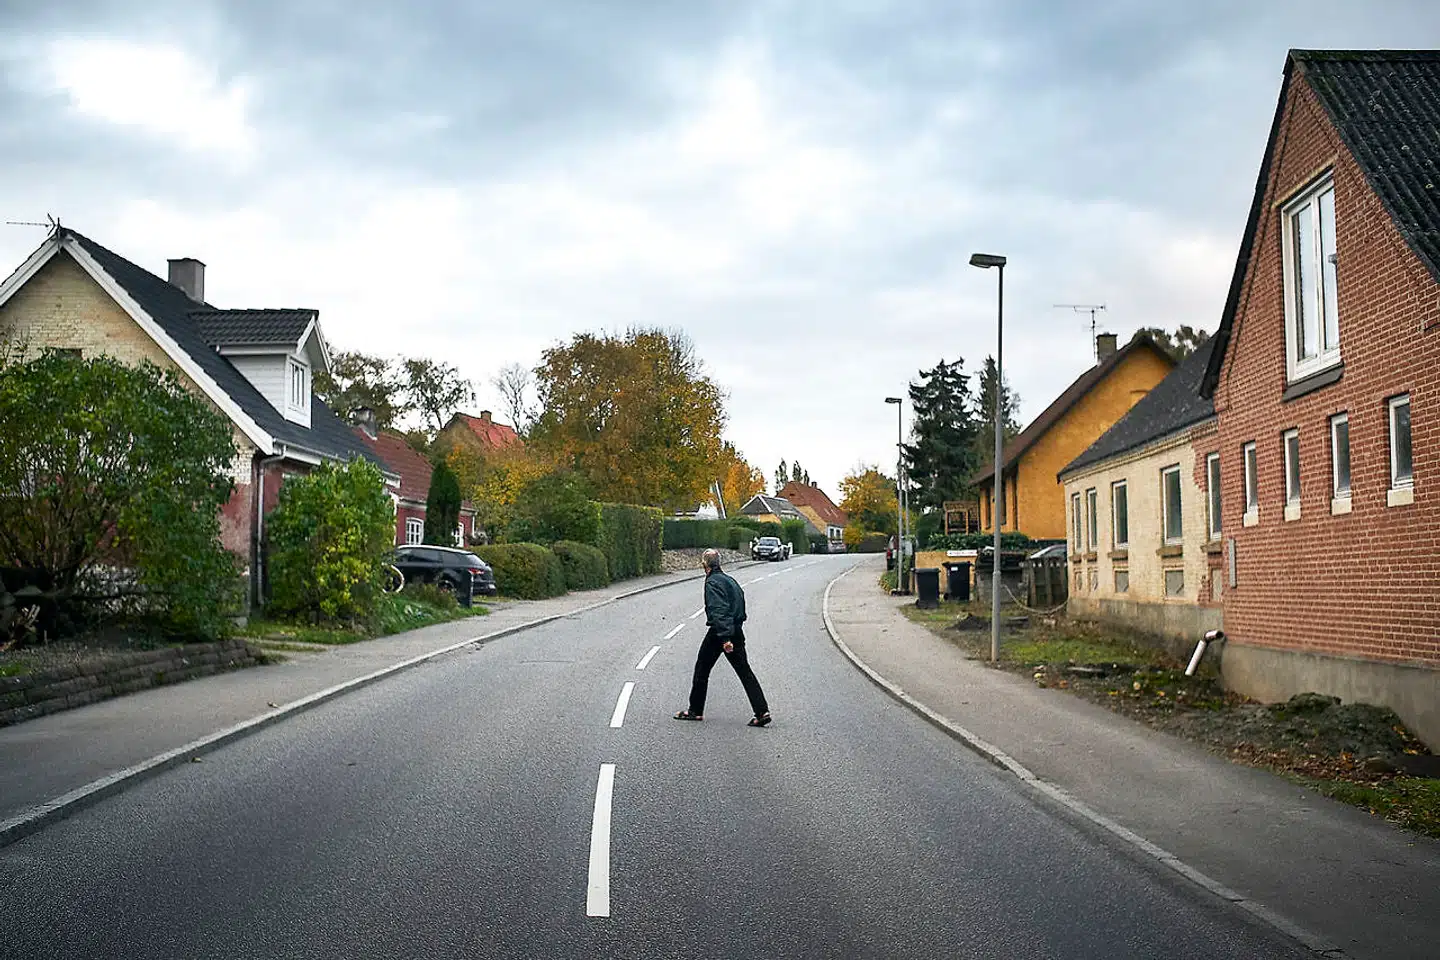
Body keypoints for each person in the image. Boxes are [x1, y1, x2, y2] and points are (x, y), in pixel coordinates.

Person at [673, 549, 772, 726]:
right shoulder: (730, 580)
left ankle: (695, 710)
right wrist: (734, 629)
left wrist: (725, 639)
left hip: (720, 633)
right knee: (745, 672)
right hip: (736, 630)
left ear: (705, 565)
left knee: (702, 669)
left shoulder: (712, 582)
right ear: (719, 563)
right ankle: (762, 711)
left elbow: (718, 609)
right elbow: (741, 604)